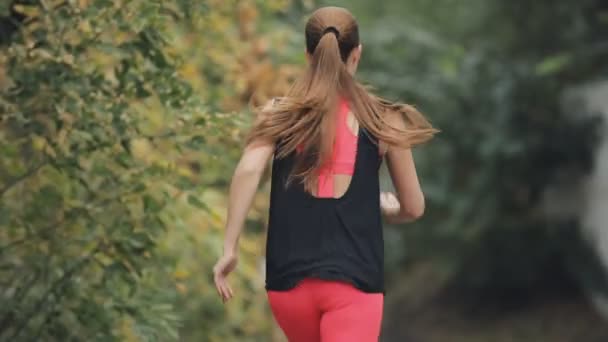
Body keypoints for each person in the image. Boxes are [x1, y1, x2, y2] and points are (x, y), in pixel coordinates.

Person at [213, 6, 437, 342]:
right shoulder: (384, 119)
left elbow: (247, 169)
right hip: (353, 284)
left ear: (308, 55)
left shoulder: (279, 113)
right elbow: (414, 208)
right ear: (357, 54)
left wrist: (229, 247)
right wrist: (386, 207)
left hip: (288, 288)